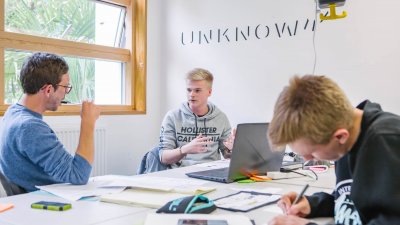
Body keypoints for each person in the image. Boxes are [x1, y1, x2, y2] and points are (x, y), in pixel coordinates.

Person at [267, 75, 400, 225]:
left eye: (312, 153)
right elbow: (355, 200)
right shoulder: (346, 137)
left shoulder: (387, 142)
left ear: (340, 136)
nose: (307, 159)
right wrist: (314, 204)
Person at [0, 52, 100, 193]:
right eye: (65, 88)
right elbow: (79, 175)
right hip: (45, 202)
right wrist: (88, 123)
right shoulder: (29, 127)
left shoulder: (13, 112)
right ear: (48, 90)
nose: (65, 94)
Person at [159, 68, 234, 168]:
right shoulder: (173, 116)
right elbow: (163, 157)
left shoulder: (221, 118)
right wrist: (185, 149)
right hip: (180, 173)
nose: (191, 94)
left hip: (211, 172)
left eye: (197, 90)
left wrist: (233, 149)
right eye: (189, 90)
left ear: (209, 92)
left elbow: (227, 155)